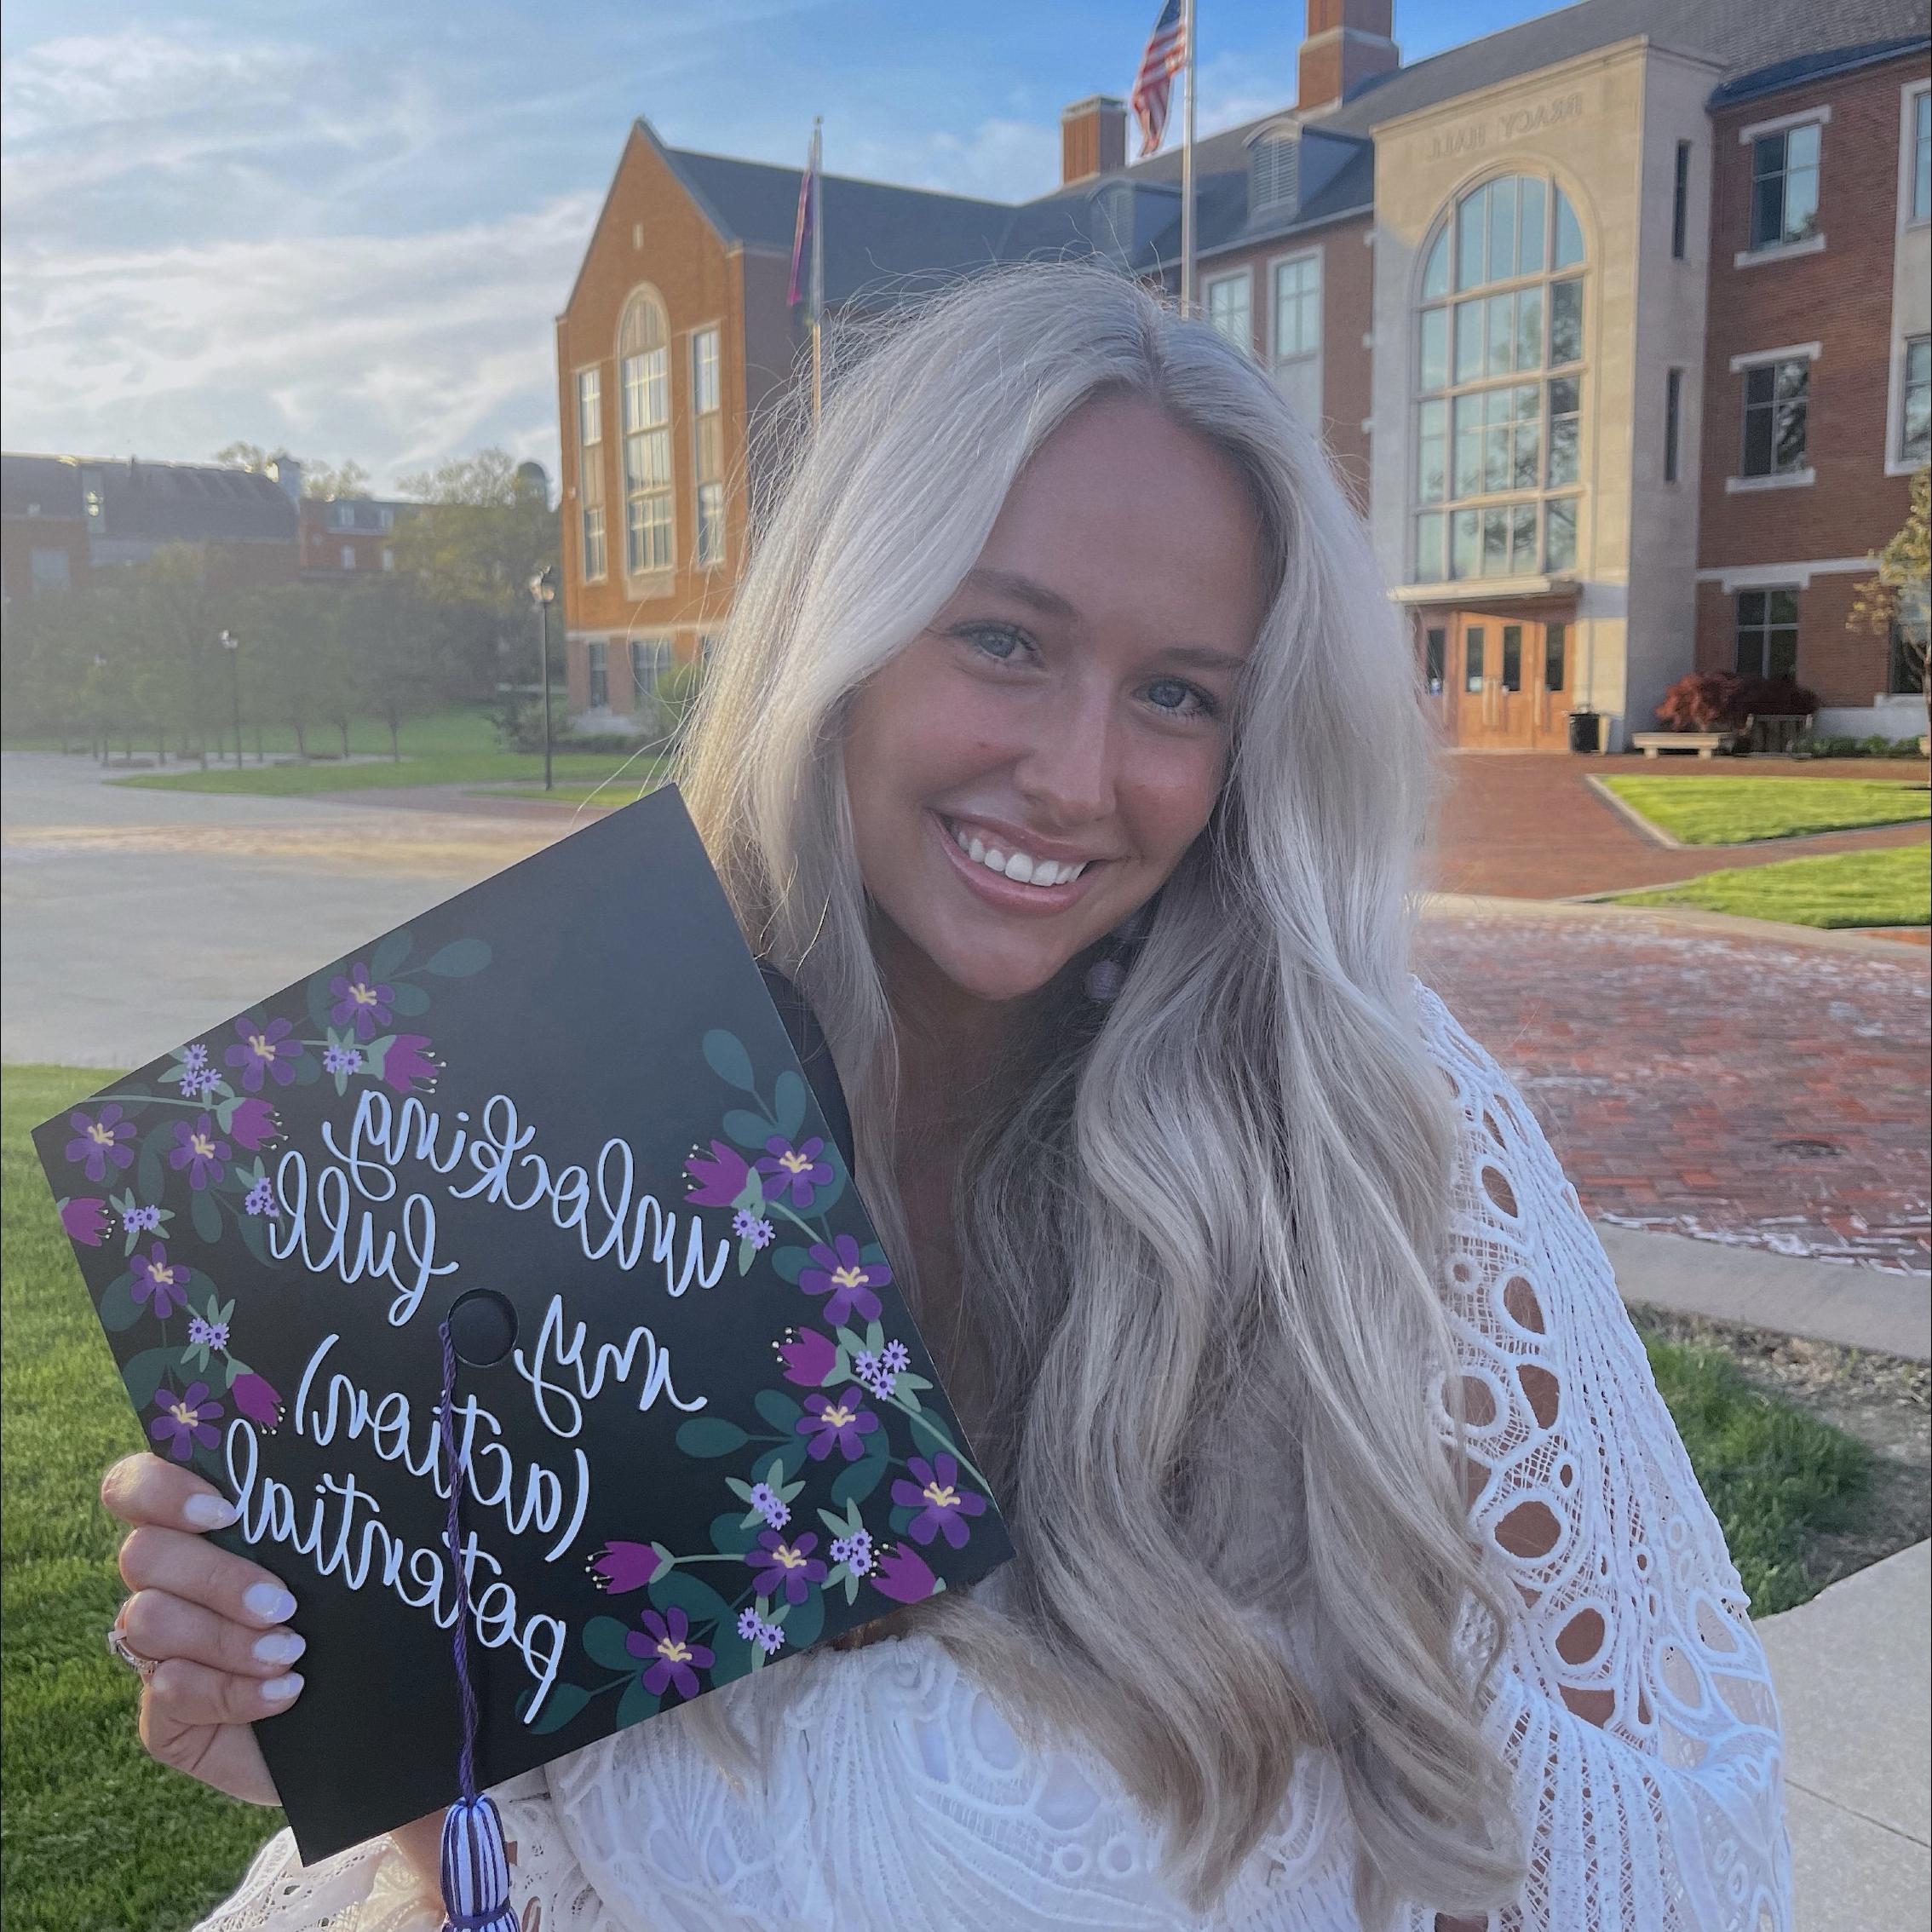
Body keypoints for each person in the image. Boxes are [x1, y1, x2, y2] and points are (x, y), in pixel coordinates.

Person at [100, 264, 1791, 1931]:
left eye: (1178, 693)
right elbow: (519, 1881)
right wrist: (377, 1761)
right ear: (843, 634)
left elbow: (1643, 1854)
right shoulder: (564, 1128)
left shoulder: (1376, 1133)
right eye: (1003, 639)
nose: (1075, 776)